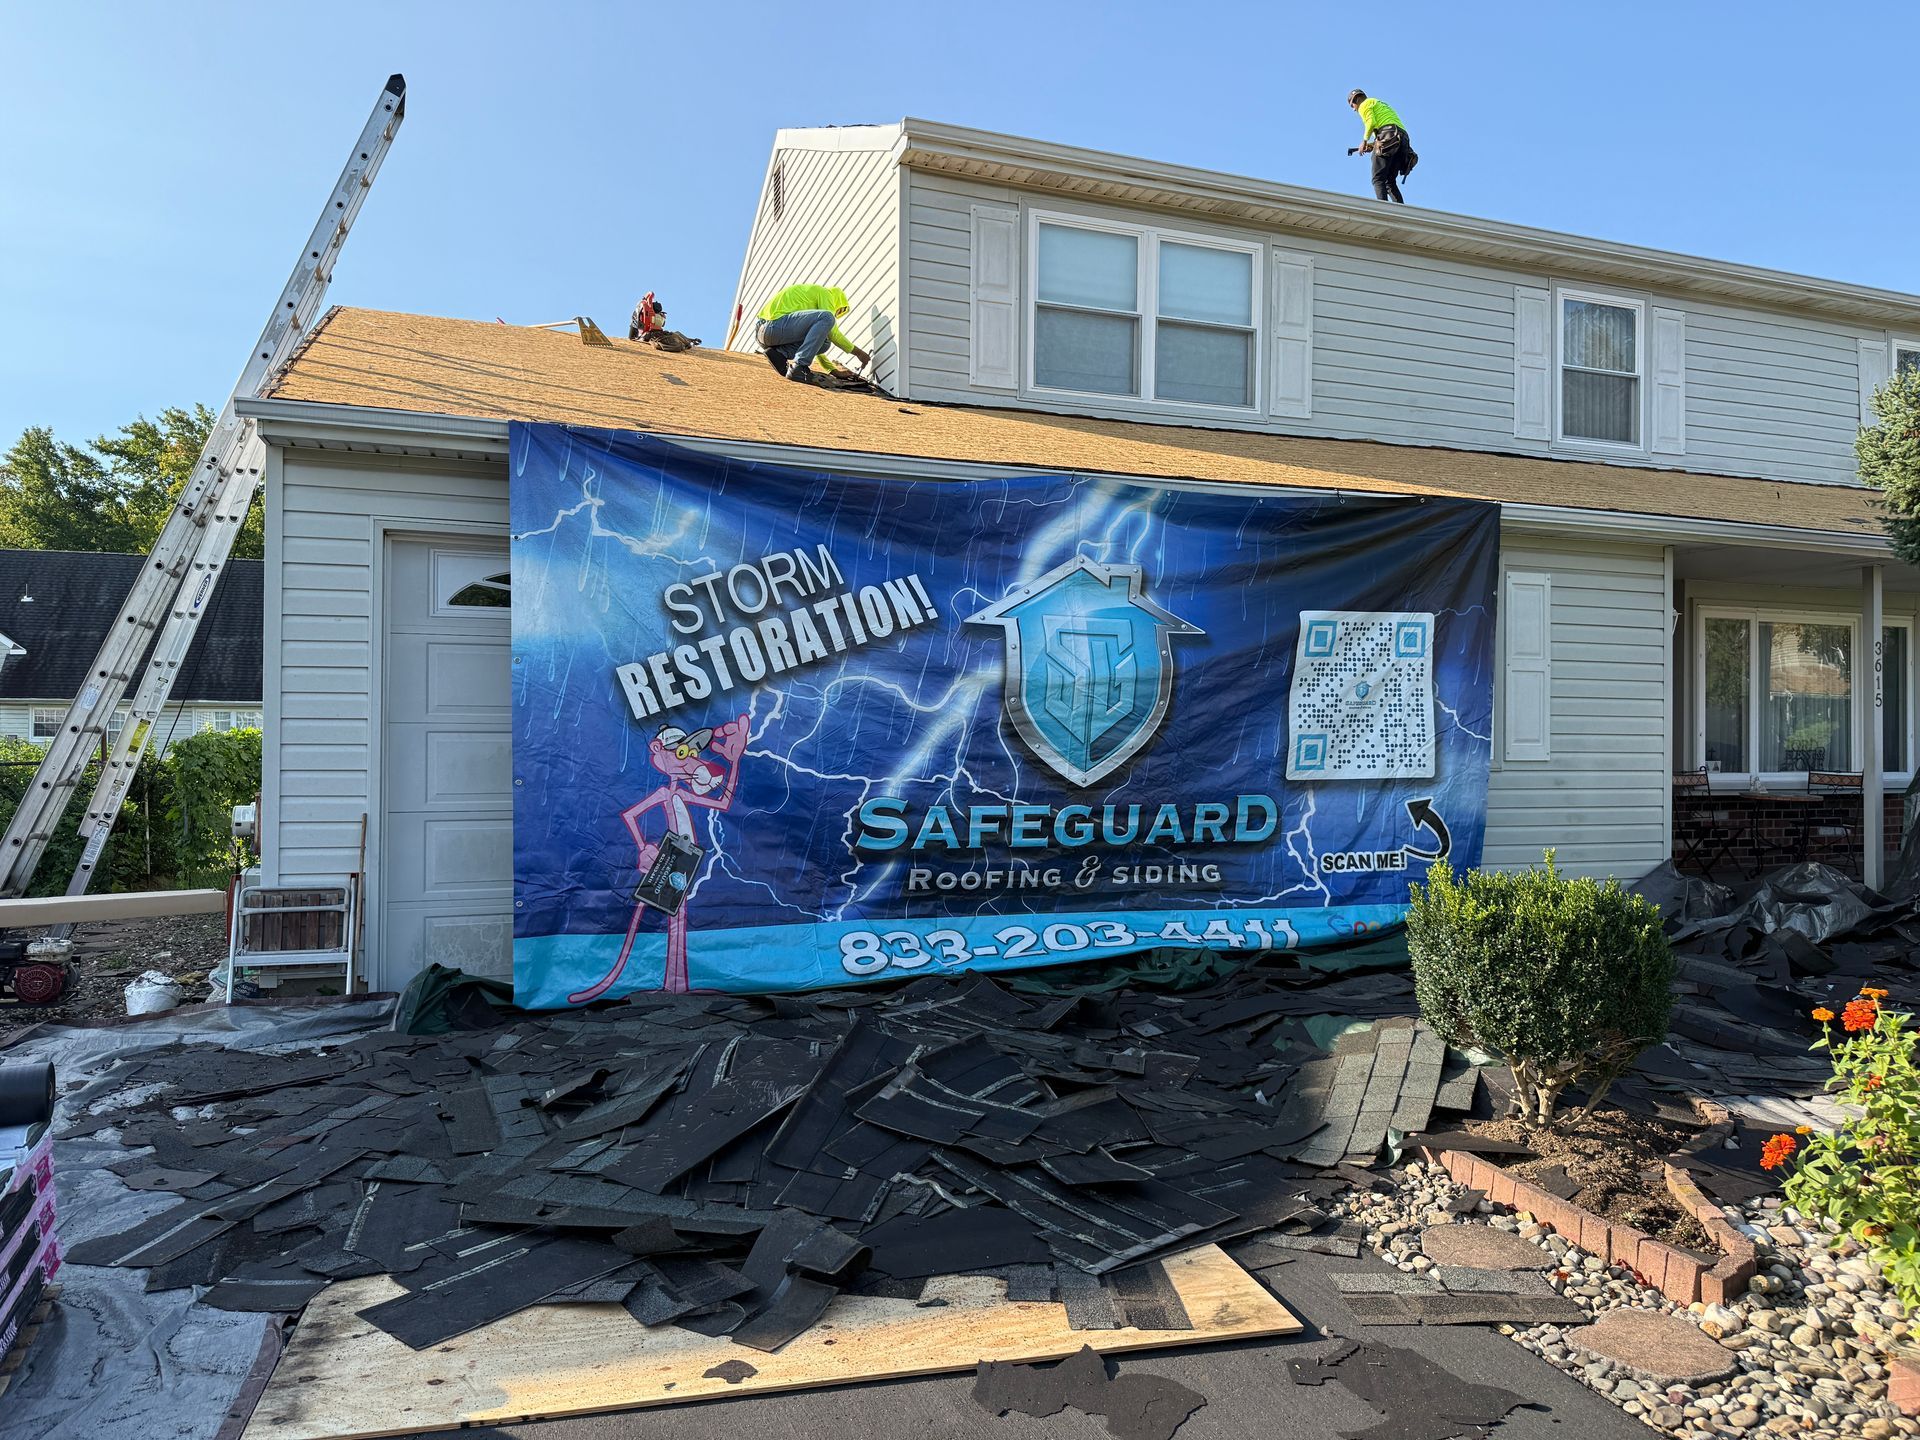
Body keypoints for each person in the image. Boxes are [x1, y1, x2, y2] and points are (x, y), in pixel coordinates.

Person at [755, 284, 871, 384]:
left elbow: (813, 343)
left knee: (825, 343)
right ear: (838, 300)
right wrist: (858, 353)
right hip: (771, 326)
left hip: (765, 334)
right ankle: (799, 367)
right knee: (827, 317)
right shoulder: (826, 294)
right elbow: (833, 333)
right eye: (839, 310)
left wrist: (833, 371)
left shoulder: (810, 304)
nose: (836, 313)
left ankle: (779, 354)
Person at [1348, 89, 1418, 204]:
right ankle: (1402, 212)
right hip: (1402, 139)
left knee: (1378, 178)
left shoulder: (1364, 105)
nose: (1354, 109)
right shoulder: (1378, 103)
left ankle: (1383, 210)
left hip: (1389, 135)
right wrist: (1373, 144)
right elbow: (1386, 125)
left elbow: (1371, 122)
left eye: (1352, 105)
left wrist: (1364, 141)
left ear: (1356, 100)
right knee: (1389, 181)